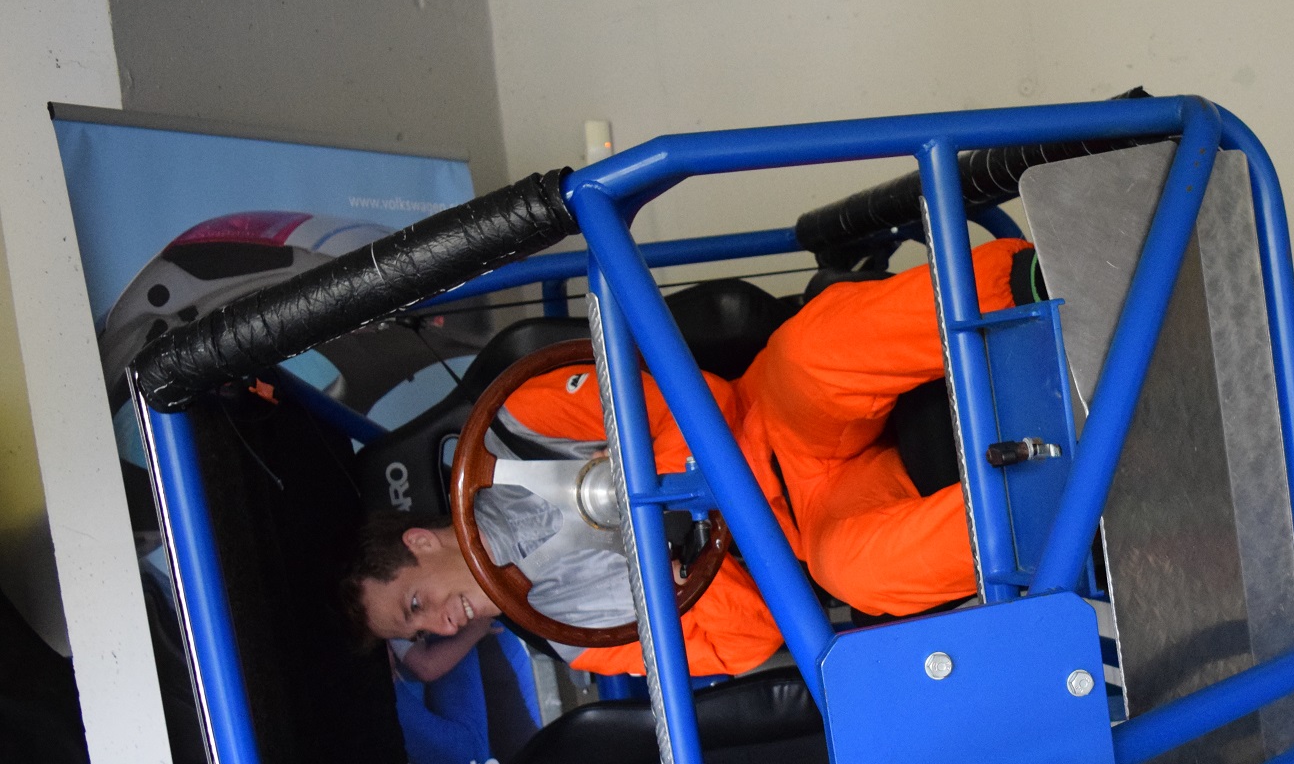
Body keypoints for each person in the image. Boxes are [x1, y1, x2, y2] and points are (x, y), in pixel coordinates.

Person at [342, 236, 1035, 677]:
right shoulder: (577, 638)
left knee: (812, 354)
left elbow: (691, 400)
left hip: (770, 421)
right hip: (802, 537)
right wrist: (685, 567)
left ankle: (1031, 286)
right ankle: (1054, 503)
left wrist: (672, 500)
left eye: (416, 604)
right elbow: (748, 640)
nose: (442, 624)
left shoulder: (519, 424)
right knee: (859, 572)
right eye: (421, 632)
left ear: (420, 541)